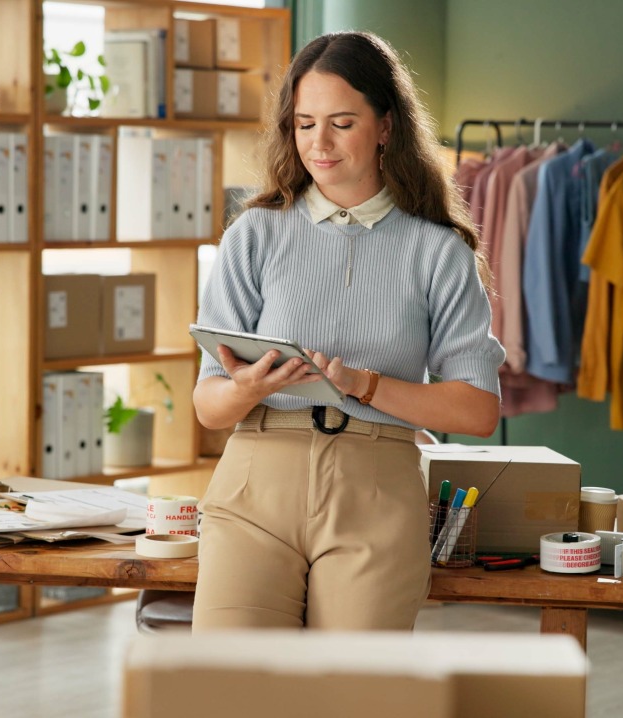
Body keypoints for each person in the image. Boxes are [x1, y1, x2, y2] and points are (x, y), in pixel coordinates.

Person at [191, 31, 505, 631]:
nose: (320, 144)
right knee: (227, 684)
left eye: (341, 122)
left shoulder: (438, 250)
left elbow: (477, 410)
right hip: (256, 481)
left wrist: (364, 383)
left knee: (353, 691)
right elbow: (208, 405)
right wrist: (248, 388)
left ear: (386, 126)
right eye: (304, 124)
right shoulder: (253, 234)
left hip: (377, 492)